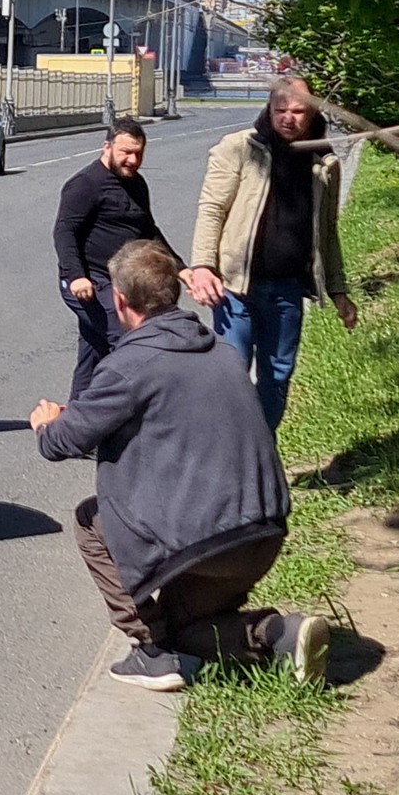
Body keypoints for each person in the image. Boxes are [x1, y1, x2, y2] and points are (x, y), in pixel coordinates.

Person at [32, 240, 328, 693]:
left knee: (89, 521)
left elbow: (62, 442)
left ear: (120, 300)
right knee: (188, 634)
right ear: (174, 294)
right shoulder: (222, 351)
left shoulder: (129, 364)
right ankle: (281, 635)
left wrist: (46, 423)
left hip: (204, 542)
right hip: (263, 532)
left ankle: (150, 649)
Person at [186, 77, 357, 429]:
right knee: (231, 375)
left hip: (287, 290)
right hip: (234, 287)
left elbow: (327, 230)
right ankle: (233, 453)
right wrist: (203, 265)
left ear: (312, 114)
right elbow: (212, 209)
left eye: (298, 111)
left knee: (277, 377)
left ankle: (262, 451)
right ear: (269, 107)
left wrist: (338, 290)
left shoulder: (324, 162)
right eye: (281, 110)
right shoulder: (238, 148)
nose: (288, 118)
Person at [53, 117, 186, 399]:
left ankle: (78, 429)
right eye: (126, 152)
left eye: (138, 153)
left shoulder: (137, 184)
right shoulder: (85, 184)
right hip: (88, 280)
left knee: (93, 352)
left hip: (120, 281)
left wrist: (180, 268)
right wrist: (77, 276)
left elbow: (149, 231)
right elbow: (65, 231)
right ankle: (131, 416)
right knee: (127, 341)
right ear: (107, 147)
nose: (132, 160)